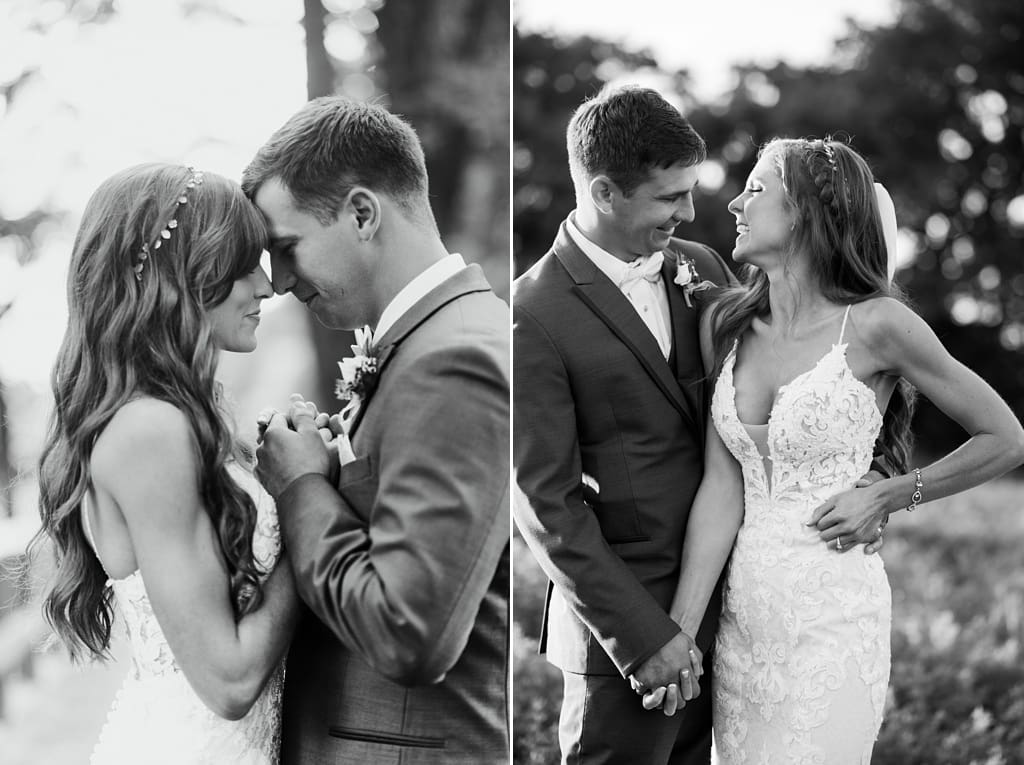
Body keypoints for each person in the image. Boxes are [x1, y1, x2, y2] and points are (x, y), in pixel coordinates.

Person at [656, 137, 1024, 763]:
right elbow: (722, 489)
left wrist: (890, 494)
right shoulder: (728, 326)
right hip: (744, 622)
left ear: (804, 212)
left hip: (833, 618)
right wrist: (681, 631)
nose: (736, 204)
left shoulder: (879, 324)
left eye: (755, 189)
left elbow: (1006, 438)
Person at [243, 96, 510, 765]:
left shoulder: (456, 360)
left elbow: (407, 633)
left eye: (286, 249)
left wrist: (302, 485)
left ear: (362, 213)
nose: (280, 282)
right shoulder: (425, 346)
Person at [33, 163, 298, 764]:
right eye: (242, 265)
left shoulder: (171, 416)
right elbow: (229, 681)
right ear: (178, 276)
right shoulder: (150, 429)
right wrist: (305, 498)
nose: (267, 286)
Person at [512, 85, 737, 764]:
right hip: (626, 645)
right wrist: (642, 638)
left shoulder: (702, 268)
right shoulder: (531, 313)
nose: (688, 212)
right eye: (671, 197)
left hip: (732, 613)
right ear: (605, 193)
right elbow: (546, 505)